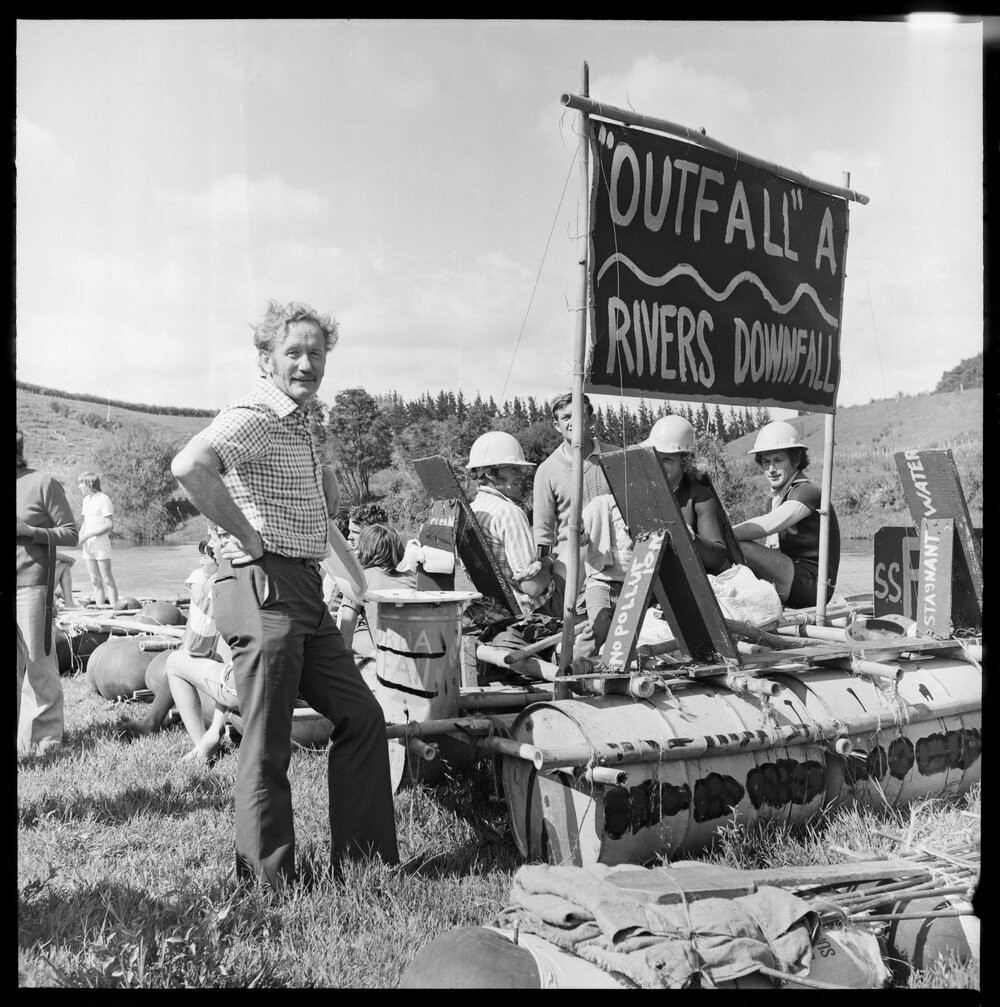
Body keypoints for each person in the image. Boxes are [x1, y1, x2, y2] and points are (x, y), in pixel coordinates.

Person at [170, 299, 398, 889]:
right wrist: (245, 534)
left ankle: (366, 863)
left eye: (315, 353)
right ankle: (268, 884)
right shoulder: (259, 411)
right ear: (266, 358)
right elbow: (191, 464)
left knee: (362, 715)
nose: (305, 364)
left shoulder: (300, 420)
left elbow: (316, 518)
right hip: (259, 583)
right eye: (292, 352)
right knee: (268, 742)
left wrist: (355, 575)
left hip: (302, 587)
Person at [118, 537, 222, 739]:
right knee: (176, 664)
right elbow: (203, 605)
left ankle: (170, 717)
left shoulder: (226, 580)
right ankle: (153, 721)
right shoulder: (199, 579)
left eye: (205, 557)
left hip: (216, 652)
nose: (201, 562)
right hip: (199, 647)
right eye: (202, 556)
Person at [17, 427, 80, 755]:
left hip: (30, 586)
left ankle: (43, 745)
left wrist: (30, 531)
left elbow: (71, 534)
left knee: (38, 666)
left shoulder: (43, 483)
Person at [733, 420, 840, 608]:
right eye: (766, 462)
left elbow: (766, 525)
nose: (771, 469)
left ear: (796, 459)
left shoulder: (807, 492)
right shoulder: (775, 499)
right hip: (791, 576)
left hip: (812, 586)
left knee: (741, 546)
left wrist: (721, 534)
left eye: (778, 460)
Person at [467, 431, 559, 618]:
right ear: (491, 473)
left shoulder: (472, 509)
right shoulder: (508, 512)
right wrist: (550, 561)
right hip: (528, 611)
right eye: (513, 469)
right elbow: (532, 587)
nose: (521, 475)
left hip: (494, 606)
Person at [640, 415, 730, 575]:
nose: (659, 464)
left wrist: (691, 537)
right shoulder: (642, 493)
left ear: (685, 462)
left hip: (694, 582)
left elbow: (717, 557)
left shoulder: (700, 497)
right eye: (656, 457)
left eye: (667, 459)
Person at [338, 523, 417, 654]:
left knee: (357, 638)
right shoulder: (412, 577)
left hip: (386, 655)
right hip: (417, 650)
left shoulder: (361, 580)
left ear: (366, 549)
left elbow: (345, 634)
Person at [77, 471, 119, 607]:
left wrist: (89, 535)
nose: (79, 487)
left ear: (89, 484)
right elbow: (85, 522)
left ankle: (116, 610)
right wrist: (81, 535)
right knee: (95, 580)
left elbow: (109, 525)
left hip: (101, 545)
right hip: (88, 546)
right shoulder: (85, 500)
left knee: (107, 579)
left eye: (81, 484)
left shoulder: (103, 499)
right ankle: (100, 609)